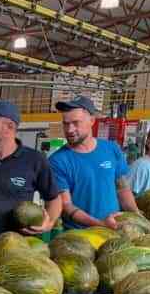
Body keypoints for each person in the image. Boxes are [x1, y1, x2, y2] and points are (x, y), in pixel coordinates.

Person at [0, 100, 62, 245]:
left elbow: (54, 199)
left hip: (17, 248)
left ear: (9, 127)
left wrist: (49, 223)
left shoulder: (34, 160)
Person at [49, 96, 141, 229]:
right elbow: (66, 205)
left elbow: (122, 189)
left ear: (92, 121)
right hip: (79, 235)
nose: (69, 130)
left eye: (76, 123)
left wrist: (137, 216)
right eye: (66, 123)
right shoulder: (57, 161)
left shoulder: (111, 149)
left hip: (114, 230)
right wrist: (101, 224)